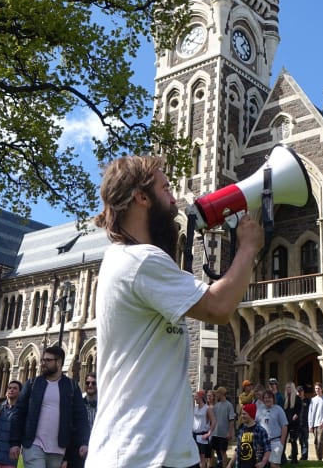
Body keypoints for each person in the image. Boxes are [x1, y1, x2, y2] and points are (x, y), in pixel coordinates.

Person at [85, 155, 264, 467]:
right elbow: (219, 307)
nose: (174, 197)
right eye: (166, 189)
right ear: (141, 198)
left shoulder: (131, 259)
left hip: (162, 452)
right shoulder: (139, 260)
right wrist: (248, 247)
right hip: (138, 454)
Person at [8, 345, 89, 468]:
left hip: (58, 449)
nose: (43, 363)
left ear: (59, 362)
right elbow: (19, 414)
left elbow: (81, 417)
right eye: (43, 360)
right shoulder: (32, 384)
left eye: (48, 360)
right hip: (33, 445)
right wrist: (15, 443)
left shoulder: (71, 387)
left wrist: (84, 442)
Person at [227, 404, 270, 468]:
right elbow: (238, 449)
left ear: (251, 414)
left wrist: (263, 463)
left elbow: (267, 449)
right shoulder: (241, 430)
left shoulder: (260, 431)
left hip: (255, 465)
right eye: (241, 414)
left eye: (244, 414)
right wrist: (230, 464)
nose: (242, 416)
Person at [254, 390, 286, 468]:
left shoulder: (278, 409)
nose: (267, 399)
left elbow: (284, 426)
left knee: (274, 465)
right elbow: (256, 424)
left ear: (273, 399)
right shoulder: (259, 409)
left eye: (269, 397)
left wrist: (281, 443)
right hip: (262, 443)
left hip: (275, 442)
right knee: (261, 465)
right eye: (265, 398)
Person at [212, 387, 236, 468]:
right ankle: (219, 464)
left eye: (217, 393)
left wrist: (229, 432)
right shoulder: (216, 405)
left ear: (221, 394)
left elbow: (231, 420)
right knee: (216, 451)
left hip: (224, 434)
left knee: (223, 452)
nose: (216, 395)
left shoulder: (229, 405)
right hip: (215, 433)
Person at [306, 383, 323, 462]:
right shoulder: (313, 399)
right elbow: (310, 412)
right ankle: (318, 457)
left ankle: (320, 458)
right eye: (316, 388)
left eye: (318, 388)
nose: (317, 390)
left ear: (321, 389)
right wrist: (310, 425)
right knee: (316, 441)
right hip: (314, 423)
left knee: (320, 441)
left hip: (321, 423)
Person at [193, 391, 216, 468]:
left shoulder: (207, 408)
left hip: (202, 435)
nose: (195, 398)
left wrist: (209, 433)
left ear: (200, 397)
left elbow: (213, 421)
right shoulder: (195, 408)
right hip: (194, 434)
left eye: (196, 397)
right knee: (194, 456)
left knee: (202, 457)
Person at [281, 383, 302, 464]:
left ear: (292, 388)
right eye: (287, 388)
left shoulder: (297, 398)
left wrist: (295, 416)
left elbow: (298, 410)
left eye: (289, 388)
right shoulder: (285, 399)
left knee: (293, 440)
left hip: (294, 423)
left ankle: (294, 458)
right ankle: (283, 458)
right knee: (284, 439)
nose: (288, 389)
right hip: (286, 422)